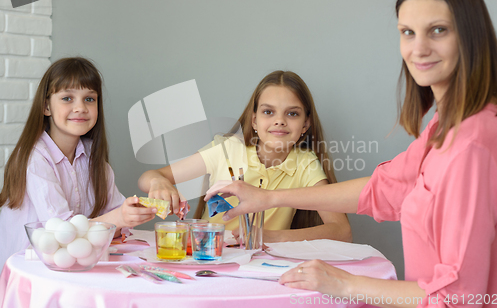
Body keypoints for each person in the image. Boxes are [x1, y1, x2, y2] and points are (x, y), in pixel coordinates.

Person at [204, 0, 497, 306]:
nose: (419, 49)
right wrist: (267, 198)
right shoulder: (443, 128)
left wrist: (346, 284)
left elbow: (462, 297)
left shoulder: (473, 143)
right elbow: (384, 190)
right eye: (408, 32)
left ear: (470, 35)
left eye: (438, 30)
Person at [138, 70, 352, 243]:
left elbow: (341, 231)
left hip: (266, 267)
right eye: (268, 112)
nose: (279, 120)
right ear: (254, 121)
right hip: (208, 257)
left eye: (292, 113)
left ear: (305, 124)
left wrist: (271, 237)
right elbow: (150, 176)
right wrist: (158, 181)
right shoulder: (227, 150)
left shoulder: (306, 164)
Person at [0, 57, 156, 271]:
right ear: (46, 106)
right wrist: (117, 218)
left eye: (89, 99)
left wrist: (134, 212)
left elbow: (115, 220)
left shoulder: (93, 157)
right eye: (67, 98)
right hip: (32, 271)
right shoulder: (34, 158)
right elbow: (61, 234)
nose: (80, 107)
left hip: (74, 267)